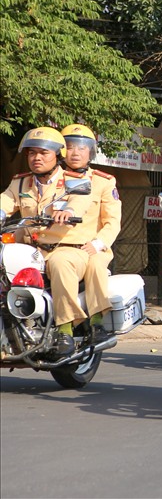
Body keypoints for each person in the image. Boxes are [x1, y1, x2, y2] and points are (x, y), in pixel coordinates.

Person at [0, 127, 104, 355]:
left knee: (59, 263)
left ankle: (65, 330)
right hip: (30, 247)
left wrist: (68, 211)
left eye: (43, 153)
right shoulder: (20, 183)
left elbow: (80, 200)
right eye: (32, 153)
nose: (36, 158)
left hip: (68, 248)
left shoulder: (74, 180)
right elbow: (5, 202)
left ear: (58, 155)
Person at [59, 124, 122, 345]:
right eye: (69, 147)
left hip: (90, 246)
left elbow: (112, 222)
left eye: (81, 148)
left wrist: (98, 243)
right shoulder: (50, 179)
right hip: (56, 245)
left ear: (90, 152)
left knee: (95, 265)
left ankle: (96, 324)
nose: (75, 152)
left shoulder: (103, 182)